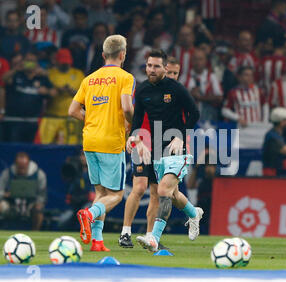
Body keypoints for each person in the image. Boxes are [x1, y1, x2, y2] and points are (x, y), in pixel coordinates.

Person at [127, 49, 201, 253]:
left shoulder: (176, 89)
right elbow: (136, 120)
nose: (152, 69)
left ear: (165, 68)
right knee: (174, 194)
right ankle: (194, 213)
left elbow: (194, 113)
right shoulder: (142, 90)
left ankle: (153, 238)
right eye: (149, 65)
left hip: (178, 147)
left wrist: (180, 136)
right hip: (156, 149)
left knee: (162, 191)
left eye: (156, 66)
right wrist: (136, 138)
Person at [68, 34, 135, 252]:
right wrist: (130, 123)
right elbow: (126, 107)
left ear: (104, 55)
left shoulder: (89, 79)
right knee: (115, 195)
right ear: (123, 55)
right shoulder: (126, 77)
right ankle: (89, 213)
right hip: (111, 141)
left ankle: (97, 242)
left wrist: (93, 118)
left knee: (100, 193)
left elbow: (73, 110)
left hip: (90, 140)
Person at [118, 53, 182, 249]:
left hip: (161, 146)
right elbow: (134, 114)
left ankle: (150, 237)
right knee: (138, 187)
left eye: (175, 73)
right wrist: (135, 137)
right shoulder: (148, 89)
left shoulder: (176, 94)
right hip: (142, 141)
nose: (171, 76)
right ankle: (125, 233)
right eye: (168, 71)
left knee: (156, 192)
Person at [0, 152, 47, 231]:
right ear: (15, 165)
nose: (21, 170)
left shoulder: (39, 174)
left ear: (28, 164)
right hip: (10, 204)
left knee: (38, 209)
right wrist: (5, 194)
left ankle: (35, 233)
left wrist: (35, 199)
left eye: (24, 167)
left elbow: (42, 196)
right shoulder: (7, 173)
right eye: (19, 167)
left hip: (31, 205)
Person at [39, 48, 85, 145]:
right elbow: (44, 90)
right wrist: (58, 90)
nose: (65, 64)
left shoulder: (78, 74)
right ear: (57, 61)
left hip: (71, 119)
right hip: (52, 117)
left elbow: (85, 94)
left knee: (70, 145)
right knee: (45, 145)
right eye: (62, 62)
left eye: (67, 62)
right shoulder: (50, 73)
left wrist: (72, 91)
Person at [181, 48, 223, 122]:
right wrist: (189, 94)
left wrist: (201, 98)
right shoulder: (184, 78)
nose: (198, 62)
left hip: (208, 119)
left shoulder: (212, 77)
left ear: (205, 61)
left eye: (200, 59)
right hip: (188, 119)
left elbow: (219, 97)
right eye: (195, 59)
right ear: (191, 61)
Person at [262, 107, 286, 176]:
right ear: (282, 122)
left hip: (282, 172)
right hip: (272, 176)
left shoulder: (284, 135)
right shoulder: (272, 136)